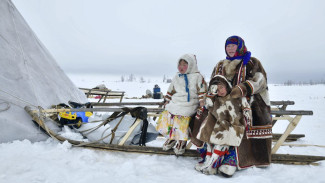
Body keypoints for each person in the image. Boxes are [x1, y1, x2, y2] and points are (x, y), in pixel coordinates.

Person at [200, 35, 272, 177]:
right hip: (223, 104)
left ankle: (231, 161)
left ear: (240, 46)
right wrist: (212, 94)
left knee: (239, 126)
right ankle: (213, 158)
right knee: (210, 122)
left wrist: (242, 89)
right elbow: (213, 82)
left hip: (249, 104)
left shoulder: (252, 62)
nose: (230, 48)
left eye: (233, 45)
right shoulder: (220, 64)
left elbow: (260, 81)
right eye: (228, 46)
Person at [193, 75, 250, 175]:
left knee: (221, 139)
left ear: (226, 86)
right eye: (217, 89)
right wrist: (210, 98)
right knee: (209, 137)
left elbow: (245, 105)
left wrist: (246, 112)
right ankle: (209, 162)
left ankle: (213, 165)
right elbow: (209, 108)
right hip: (221, 125)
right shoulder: (216, 99)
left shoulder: (236, 96)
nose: (220, 91)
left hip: (234, 125)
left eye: (221, 87)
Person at [156, 54, 207, 155]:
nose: (181, 67)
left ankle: (181, 140)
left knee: (181, 117)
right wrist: (167, 99)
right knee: (168, 113)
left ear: (191, 65)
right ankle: (172, 137)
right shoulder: (177, 76)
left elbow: (202, 90)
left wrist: (202, 102)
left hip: (190, 103)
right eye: (180, 65)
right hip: (177, 101)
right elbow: (171, 89)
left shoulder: (197, 76)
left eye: (184, 64)